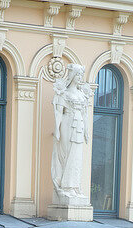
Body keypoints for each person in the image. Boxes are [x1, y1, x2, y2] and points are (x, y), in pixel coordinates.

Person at [51, 63, 91, 204]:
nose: (80, 77)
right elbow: (58, 114)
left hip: (79, 125)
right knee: (67, 154)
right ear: (72, 75)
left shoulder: (82, 95)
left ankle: (75, 186)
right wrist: (56, 129)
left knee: (77, 156)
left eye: (81, 75)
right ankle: (66, 186)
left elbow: (85, 115)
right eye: (78, 74)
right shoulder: (65, 94)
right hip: (67, 124)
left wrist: (86, 130)